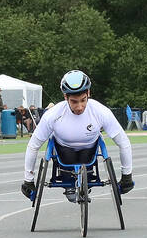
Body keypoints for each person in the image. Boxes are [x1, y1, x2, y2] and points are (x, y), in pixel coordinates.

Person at [21, 70, 134, 203]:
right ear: (65, 97)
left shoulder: (101, 112)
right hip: (63, 155)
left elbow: (124, 143)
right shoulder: (53, 115)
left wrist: (127, 175)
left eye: (83, 100)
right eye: (74, 102)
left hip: (89, 154)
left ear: (88, 94)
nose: (79, 107)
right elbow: (33, 145)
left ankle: (84, 181)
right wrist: (28, 180)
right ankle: (69, 185)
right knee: (55, 143)